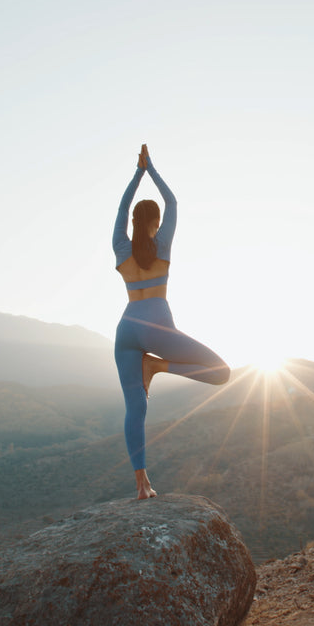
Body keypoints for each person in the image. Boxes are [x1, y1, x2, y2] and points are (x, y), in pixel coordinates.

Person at [112, 144, 230, 499]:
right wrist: (151, 170)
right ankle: (159, 366)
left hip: (126, 329)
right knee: (222, 372)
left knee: (135, 410)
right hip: (159, 330)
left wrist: (137, 174)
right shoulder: (162, 245)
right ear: (154, 224)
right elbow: (173, 203)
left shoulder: (121, 247)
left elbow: (121, 208)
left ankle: (141, 484)